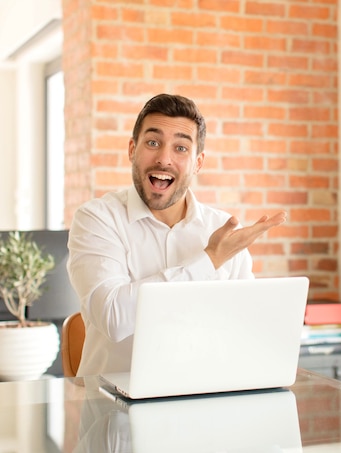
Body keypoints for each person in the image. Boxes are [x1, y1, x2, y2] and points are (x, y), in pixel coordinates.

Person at [67, 94, 286, 377]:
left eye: (181, 148)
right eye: (153, 143)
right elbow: (114, 318)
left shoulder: (224, 230)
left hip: (205, 403)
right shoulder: (97, 219)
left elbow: (246, 334)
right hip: (114, 411)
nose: (164, 159)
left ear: (197, 163)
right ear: (132, 149)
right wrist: (208, 261)